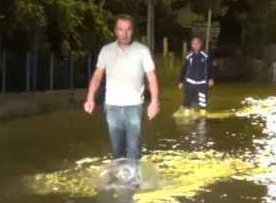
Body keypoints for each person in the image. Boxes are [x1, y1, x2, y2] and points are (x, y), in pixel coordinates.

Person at [84, 15, 160, 161]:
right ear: (115, 30)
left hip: (134, 106)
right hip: (112, 107)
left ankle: (134, 181)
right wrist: (90, 98)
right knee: (117, 151)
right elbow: (97, 76)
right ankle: (120, 180)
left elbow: (151, 77)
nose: (124, 34)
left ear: (133, 31)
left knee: (134, 150)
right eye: (121, 29)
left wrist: (155, 101)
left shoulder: (142, 51)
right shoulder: (106, 50)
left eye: (128, 29)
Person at [178, 37, 215, 116]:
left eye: (197, 43)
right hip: (190, 82)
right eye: (193, 44)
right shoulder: (189, 55)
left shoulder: (205, 55)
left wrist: (211, 78)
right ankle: (186, 113)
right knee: (187, 99)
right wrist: (180, 81)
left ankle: (203, 114)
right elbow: (184, 69)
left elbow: (211, 68)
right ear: (191, 45)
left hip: (202, 82)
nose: (195, 45)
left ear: (201, 44)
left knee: (202, 99)